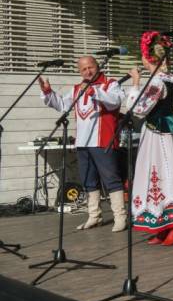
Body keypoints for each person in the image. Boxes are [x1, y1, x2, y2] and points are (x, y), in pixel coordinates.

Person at [39, 56, 127, 233]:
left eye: (90, 67)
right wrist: (49, 92)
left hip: (103, 139)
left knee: (111, 178)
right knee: (88, 179)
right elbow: (63, 105)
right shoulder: (77, 89)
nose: (88, 71)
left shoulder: (110, 84)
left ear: (97, 66)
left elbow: (115, 101)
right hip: (83, 142)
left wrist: (95, 92)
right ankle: (94, 216)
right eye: (83, 69)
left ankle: (120, 217)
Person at [126, 31, 173, 246]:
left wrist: (136, 82)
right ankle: (162, 224)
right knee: (156, 174)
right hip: (155, 133)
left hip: (161, 135)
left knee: (168, 173)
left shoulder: (157, 82)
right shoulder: (161, 80)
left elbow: (137, 108)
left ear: (148, 59)